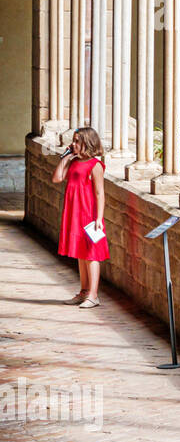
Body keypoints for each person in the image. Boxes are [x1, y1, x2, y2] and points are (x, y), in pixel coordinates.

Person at [53, 126, 109, 308]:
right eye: (74, 140)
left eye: (77, 141)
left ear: (88, 143)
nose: (74, 144)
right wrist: (66, 156)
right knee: (80, 253)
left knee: (92, 253)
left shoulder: (95, 165)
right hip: (74, 212)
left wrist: (99, 219)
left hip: (89, 214)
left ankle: (93, 295)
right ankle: (84, 291)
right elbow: (57, 178)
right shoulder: (74, 161)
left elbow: (100, 193)